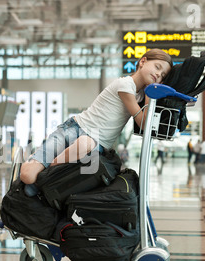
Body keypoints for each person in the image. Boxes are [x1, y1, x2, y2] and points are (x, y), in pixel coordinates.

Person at [20, 49, 173, 195]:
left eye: (162, 75)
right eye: (157, 67)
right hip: (73, 128)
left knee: (86, 144)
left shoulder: (139, 96)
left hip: (92, 144)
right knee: (27, 175)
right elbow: (144, 123)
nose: (158, 74)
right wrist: (151, 94)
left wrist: (148, 94)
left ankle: (45, 176)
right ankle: (36, 173)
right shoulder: (125, 85)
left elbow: (145, 126)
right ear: (143, 61)